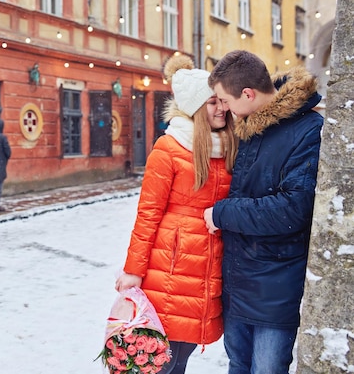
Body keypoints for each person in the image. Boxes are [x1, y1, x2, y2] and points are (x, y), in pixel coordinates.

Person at [115, 55, 238, 374]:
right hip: (169, 270)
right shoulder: (169, 149)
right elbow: (148, 215)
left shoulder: (227, 147)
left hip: (208, 268)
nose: (221, 108)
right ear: (196, 106)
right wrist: (133, 270)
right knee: (160, 361)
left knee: (179, 358)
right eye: (212, 103)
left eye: (221, 101)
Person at [203, 50, 323, 374]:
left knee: (267, 370)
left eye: (225, 100)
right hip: (238, 281)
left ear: (248, 94)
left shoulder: (309, 129)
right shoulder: (246, 127)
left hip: (275, 286)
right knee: (238, 365)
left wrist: (222, 213)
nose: (223, 109)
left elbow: (293, 209)